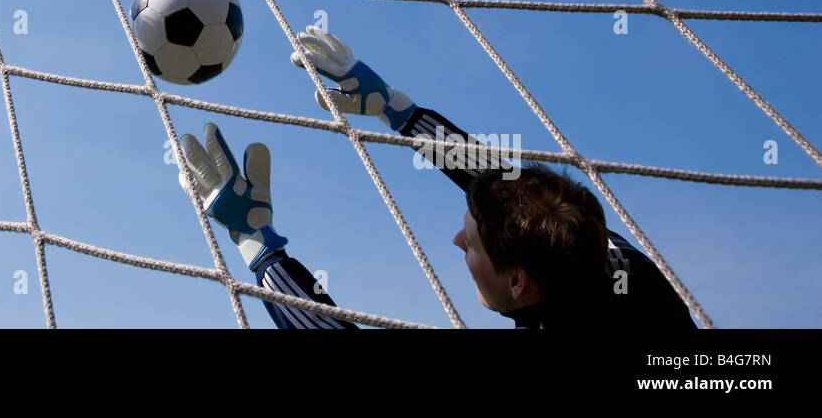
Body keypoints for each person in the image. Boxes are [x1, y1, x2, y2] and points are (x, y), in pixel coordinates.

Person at [176, 27, 696, 329]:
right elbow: (500, 185)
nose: (456, 239)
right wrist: (398, 112)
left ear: (518, 281)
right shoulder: (598, 254)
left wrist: (258, 250)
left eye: (470, 244)